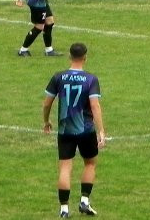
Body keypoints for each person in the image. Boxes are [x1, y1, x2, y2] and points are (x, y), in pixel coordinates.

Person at [43, 42, 105, 218]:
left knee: (65, 167)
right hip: (86, 129)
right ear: (85, 57)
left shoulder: (58, 77)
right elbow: (95, 105)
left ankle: (64, 209)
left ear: (70, 57)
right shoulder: (91, 79)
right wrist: (101, 131)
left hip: (65, 129)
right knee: (90, 163)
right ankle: (84, 201)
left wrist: (46, 121)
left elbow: (47, 103)